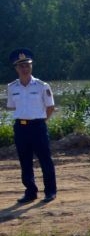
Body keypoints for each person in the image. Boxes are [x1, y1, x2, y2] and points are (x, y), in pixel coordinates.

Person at [5, 49, 57, 203]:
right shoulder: (12, 87)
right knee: (25, 161)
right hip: (21, 128)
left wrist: (41, 121)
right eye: (21, 66)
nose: (25, 69)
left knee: (45, 160)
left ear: (31, 66)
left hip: (38, 127)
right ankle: (30, 192)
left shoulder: (42, 86)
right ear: (16, 68)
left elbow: (50, 107)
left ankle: (50, 192)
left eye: (27, 65)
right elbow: (12, 106)